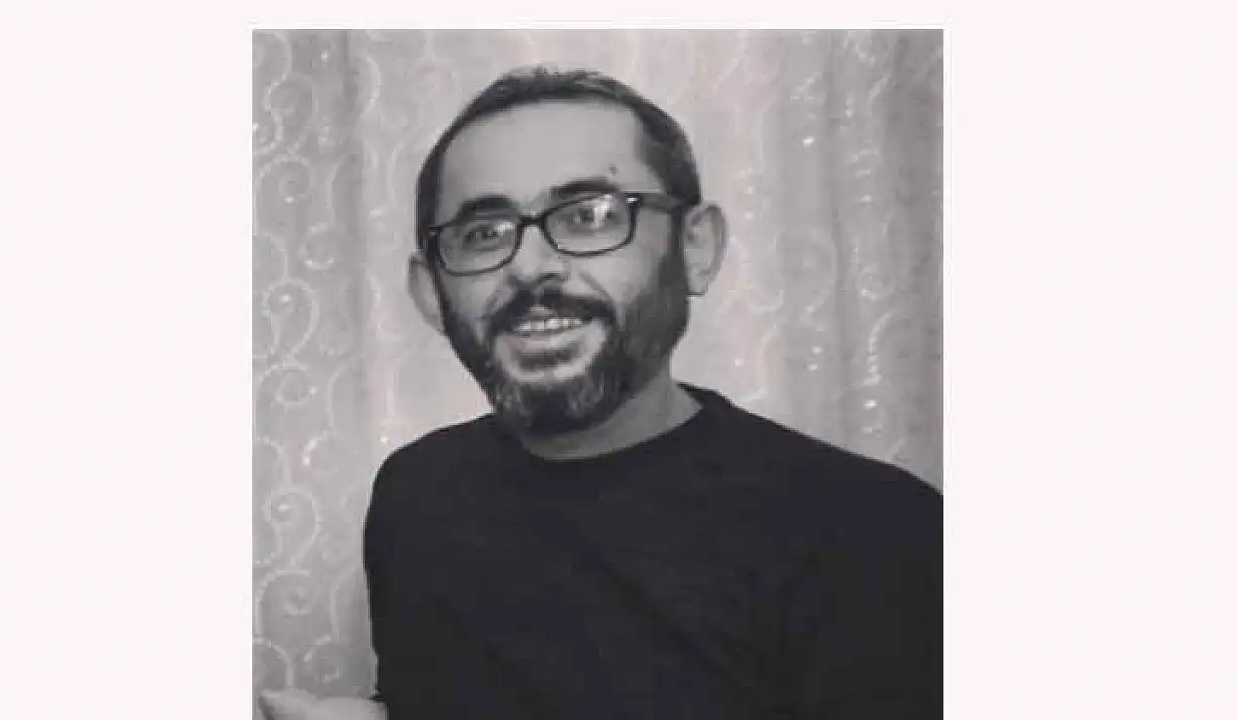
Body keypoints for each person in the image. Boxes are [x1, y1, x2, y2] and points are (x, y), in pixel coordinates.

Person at [261, 66, 941, 720]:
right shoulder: (417, 494)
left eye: (589, 216)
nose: (531, 267)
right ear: (430, 292)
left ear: (695, 247)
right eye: (484, 234)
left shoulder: (875, 534)